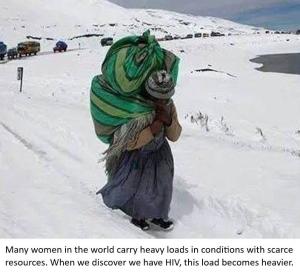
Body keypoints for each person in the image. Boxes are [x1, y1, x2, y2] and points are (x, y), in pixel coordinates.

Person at [97, 70, 182, 231]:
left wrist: (168, 121)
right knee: (136, 185)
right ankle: (138, 216)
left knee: (163, 184)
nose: (161, 101)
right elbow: (127, 142)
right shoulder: (135, 106)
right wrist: (153, 128)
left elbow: (175, 135)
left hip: (160, 151)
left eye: (164, 98)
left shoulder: (169, 105)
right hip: (137, 154)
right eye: (158, 98)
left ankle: (158, 215)